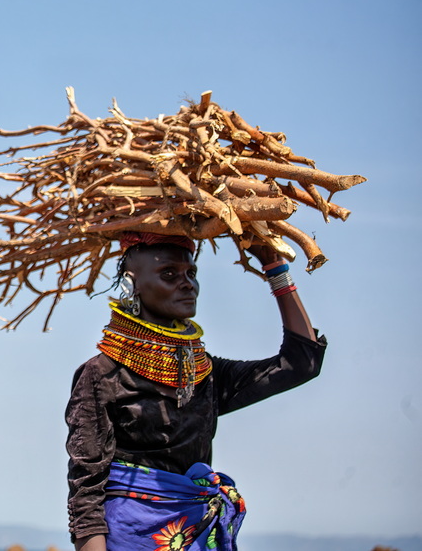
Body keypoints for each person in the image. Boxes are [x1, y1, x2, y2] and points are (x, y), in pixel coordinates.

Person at [65, 231, 327, 550]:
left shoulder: (204, 374)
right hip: (130, 538)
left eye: (191, 273)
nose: (187, 283)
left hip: (197, 535)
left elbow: (300, 364)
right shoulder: (102, 374)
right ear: (131, 285)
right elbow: (85, 492)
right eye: (169, 274)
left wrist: (275, 268)